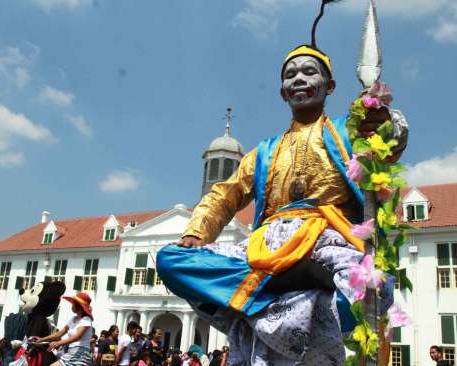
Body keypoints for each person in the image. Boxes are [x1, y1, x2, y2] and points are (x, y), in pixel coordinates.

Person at [156, 3, 408, 363]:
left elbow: (390, 141)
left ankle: (271, 290)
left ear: (330, 85)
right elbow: (225, 194)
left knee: (370, 290)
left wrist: (382, 121)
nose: (299, 79)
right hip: (265, 250)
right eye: (291, 75)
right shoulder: (264, 152)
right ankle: (276, 286)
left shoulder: (347, 131)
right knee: (170, 259)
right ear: (282, 92)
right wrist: (197, 232)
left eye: (310, 72)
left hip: (327, 241)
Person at [33, 292, 94, 366]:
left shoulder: (86, 319)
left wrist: (58, 343)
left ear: (78, 306)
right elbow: (59, 334)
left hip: (80, 355)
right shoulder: (73, 319)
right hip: (71, 354)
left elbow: (77, 336)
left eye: (73, 303)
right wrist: (41, 339)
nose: (72, 305)